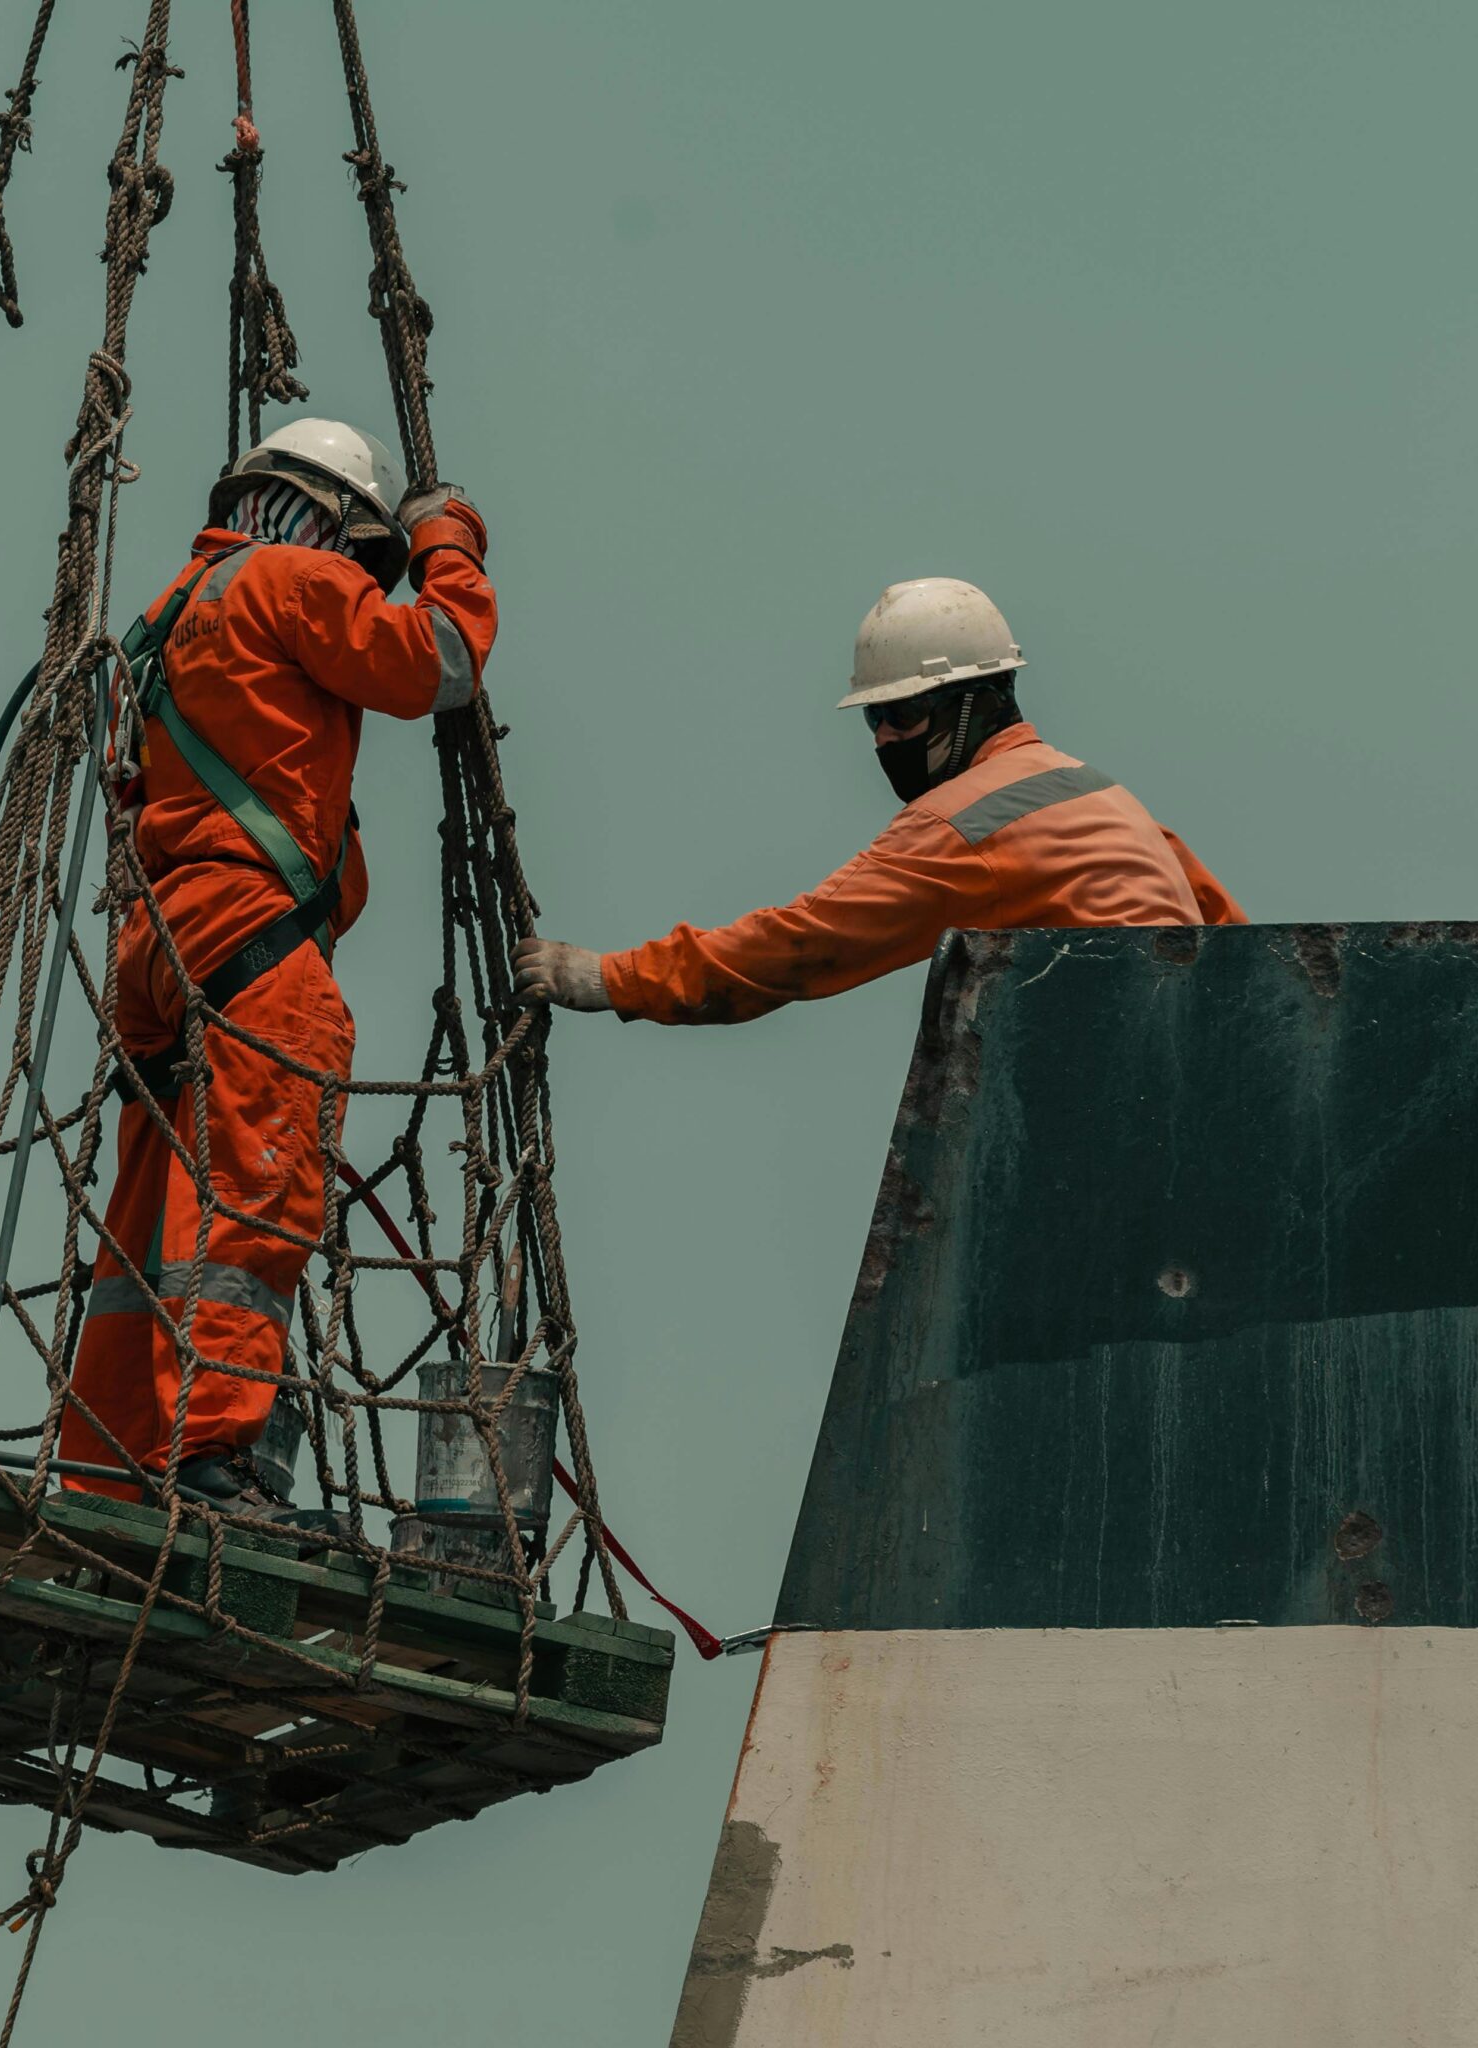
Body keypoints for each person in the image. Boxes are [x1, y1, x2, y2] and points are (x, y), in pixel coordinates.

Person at [63, 420, 492, 1506]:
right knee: (251, 1201)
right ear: (337, 521)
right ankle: (209, 1455)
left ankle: (106, 1473)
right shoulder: (296, 579)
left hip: (159, 944)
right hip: (254, 939)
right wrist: (448, 544)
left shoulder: (166, 614)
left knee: (150, 1220)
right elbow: (435, 662)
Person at [513, 577, 1241, 1024]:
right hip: (1195, 1043)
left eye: (903, 714)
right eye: (874, 719)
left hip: (1109, 1057)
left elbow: (803, 945)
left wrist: (614, 978)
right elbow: (1228, 931)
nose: (885, 737)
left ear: (974, 703)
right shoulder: (1098, 792)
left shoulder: (959, 824)